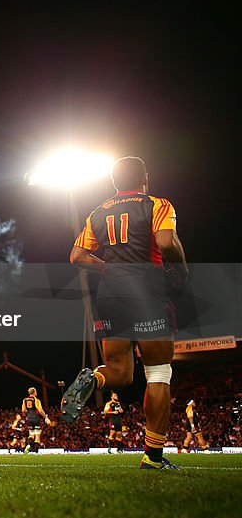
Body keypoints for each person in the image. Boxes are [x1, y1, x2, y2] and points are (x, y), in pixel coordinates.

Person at [63, 157, 188, 471]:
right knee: (158, 373)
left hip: (110, 293)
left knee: (120, 370)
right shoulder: (157, 204)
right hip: (148, 292)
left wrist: (109, 268)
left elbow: (77, 256)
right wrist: (182, 267)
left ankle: (95, 377)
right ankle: (153, 457)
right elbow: (166, 242)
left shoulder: (98, 212)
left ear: (113, 182)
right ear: (145, 176)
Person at [20, 387, 52, 454]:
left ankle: (28, 445)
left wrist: (29, 411)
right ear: (34, 392)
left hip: (29, 419)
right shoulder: (36, 400)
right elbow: (40, 410)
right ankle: (36, 451)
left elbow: (23, 410)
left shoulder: (25, 400)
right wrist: (46, 417)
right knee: (37, 435)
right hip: (36, 419)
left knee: (31, 434)